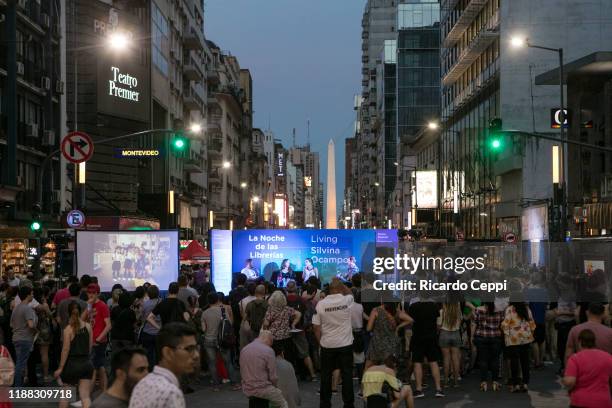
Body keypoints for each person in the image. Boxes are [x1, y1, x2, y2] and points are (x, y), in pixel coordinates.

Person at [129, 323, 199, 408]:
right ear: (168, 352)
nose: (196, 355)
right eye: (189, 349)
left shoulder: (143, 383)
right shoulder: (171, 393)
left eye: (196, 348)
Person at [312, 278, 354, 408]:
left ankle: (325, 403)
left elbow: (316, 328)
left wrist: (321, 343)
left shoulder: (321, 304)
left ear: (329, 290)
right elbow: (350, 293)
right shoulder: (347, 300)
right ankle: (348, 404)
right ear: (341, 288)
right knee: (347, 375)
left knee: (325, 375)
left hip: (327, 345)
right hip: (345, 344)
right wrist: (342, 285)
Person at [54, 301, 94, 408]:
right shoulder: (88, 326)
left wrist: (60, 368)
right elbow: (90, 347)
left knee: (65, 395)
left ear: (68, 313)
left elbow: (65, 350)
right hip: (86, 363)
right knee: (85, 396)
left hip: (72, 365)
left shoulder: (68, 329)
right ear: (80, 312)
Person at [201, 291, 240, 391]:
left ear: (208, 301)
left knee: (212, 363)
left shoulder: (204, 313)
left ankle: (216, 385)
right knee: (228, 362)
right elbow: (229, 323)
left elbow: (203, 329)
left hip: (209, 340)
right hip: (222, 340)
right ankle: (234, 383)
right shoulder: (223, 310)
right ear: (217, 300)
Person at [563, 329, 612, 408]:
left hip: (580, 401)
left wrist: (564, 380)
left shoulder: (575, 358)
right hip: (603, 401)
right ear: (594, 342)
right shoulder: (608, 357)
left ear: (579, 342)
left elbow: (570, 382)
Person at [408, 292, 443, 398]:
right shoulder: (434, 306)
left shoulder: (413, 306)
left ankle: (419, 389)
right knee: (433, 362)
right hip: (431, 337)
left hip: (418, 337)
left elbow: (410, 321)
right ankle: (438, 389)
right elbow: (437, 321)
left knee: (417, 362)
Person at [240, 330, 288, 408]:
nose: (270, 345)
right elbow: (273, 377)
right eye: (271, 343)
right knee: (282, 403)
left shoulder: (244, 349)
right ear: (269, 340)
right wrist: (276, 387)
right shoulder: (268, 350)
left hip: (247, 389)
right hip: (263, 389)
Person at [501, 301, 535, 392]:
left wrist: (506, 333)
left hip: (513, 339)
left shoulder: (509, 309)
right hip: (526, 338)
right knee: (525, 361)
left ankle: (515, 384)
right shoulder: (527, 309)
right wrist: (531, 333)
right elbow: (532, 323)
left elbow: (505, 324)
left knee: (514, 361)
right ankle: (525, 383)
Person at [285, 281, 317, 380]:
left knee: (288, 354)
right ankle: (312, 375)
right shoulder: (302, 300)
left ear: (286, 289)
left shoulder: (283, 300)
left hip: (285, 330)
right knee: (305, 353)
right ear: (296, 289)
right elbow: (310, 314)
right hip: (300, 330)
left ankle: (289, 376)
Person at [471, 301, 504, 392]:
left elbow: (475, 323)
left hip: (482, 337)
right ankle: (495, 382)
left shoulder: (478, 310)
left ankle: (483, 382)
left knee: (483, 359)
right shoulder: (500, 310)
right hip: (496, 337)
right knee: (495, 360)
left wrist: (471, 337)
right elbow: (502, 324)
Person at [86, 283, 111, 392]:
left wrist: (98, 339)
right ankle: (104, 392)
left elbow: (108, 325)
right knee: (100, 367)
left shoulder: (102, 306)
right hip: (92, 340)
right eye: (89, 292)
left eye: (93, 293)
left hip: (98, 341)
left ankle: (86, 396)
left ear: (98, 293)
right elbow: (84, 320)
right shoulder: (89, 305)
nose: (91, 295)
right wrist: (88, 306)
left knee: (93, 369)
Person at [10, 286, 37, 387]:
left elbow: (11, 325)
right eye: (32, 294)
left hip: (16, 338)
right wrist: (35, 330)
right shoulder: (27, 309)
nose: (32, 296)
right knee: (20, 364)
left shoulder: (16, 308)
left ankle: (18, 385)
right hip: (25, 339)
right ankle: (18, 387)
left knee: (19, 362)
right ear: (27, 295)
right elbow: (31, 325)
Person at [263, 290, 301, 359]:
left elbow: (266, 323)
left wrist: (265, 328)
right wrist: (293, 324)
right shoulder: (287, 309)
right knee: (287, 357)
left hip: (274, 337)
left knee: (275, 357)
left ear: (272, 299)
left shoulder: (270, 310)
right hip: (286, 336)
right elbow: (298, 314)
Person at [438, 299, 463, 387]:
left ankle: (445, 381)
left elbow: (439, 325)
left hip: (444, 333)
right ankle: (456, 381)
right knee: (455, 358)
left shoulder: (442, 312)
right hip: (456, 333)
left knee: (446, 358)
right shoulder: (458, 311)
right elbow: (460, 323)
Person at [140, 285, 161, 369]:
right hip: (159, 331)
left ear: (148, 294)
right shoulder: (162, 302)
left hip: (147, 332)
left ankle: (149, 371)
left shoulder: (145, 304)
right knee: (159, 354)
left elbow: (143, 318)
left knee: (148, 354)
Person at [274, 343, 301, 408]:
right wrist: (297, 400)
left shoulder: (267, 364)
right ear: (282, 353)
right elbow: (294, 386)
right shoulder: (288, 364)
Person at [239, 283, 257, 348]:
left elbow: (242, 314)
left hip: (245, 324)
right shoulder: (259, 300)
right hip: (257, 325)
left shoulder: (242, 301)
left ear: (247, 290)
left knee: (244, 346)